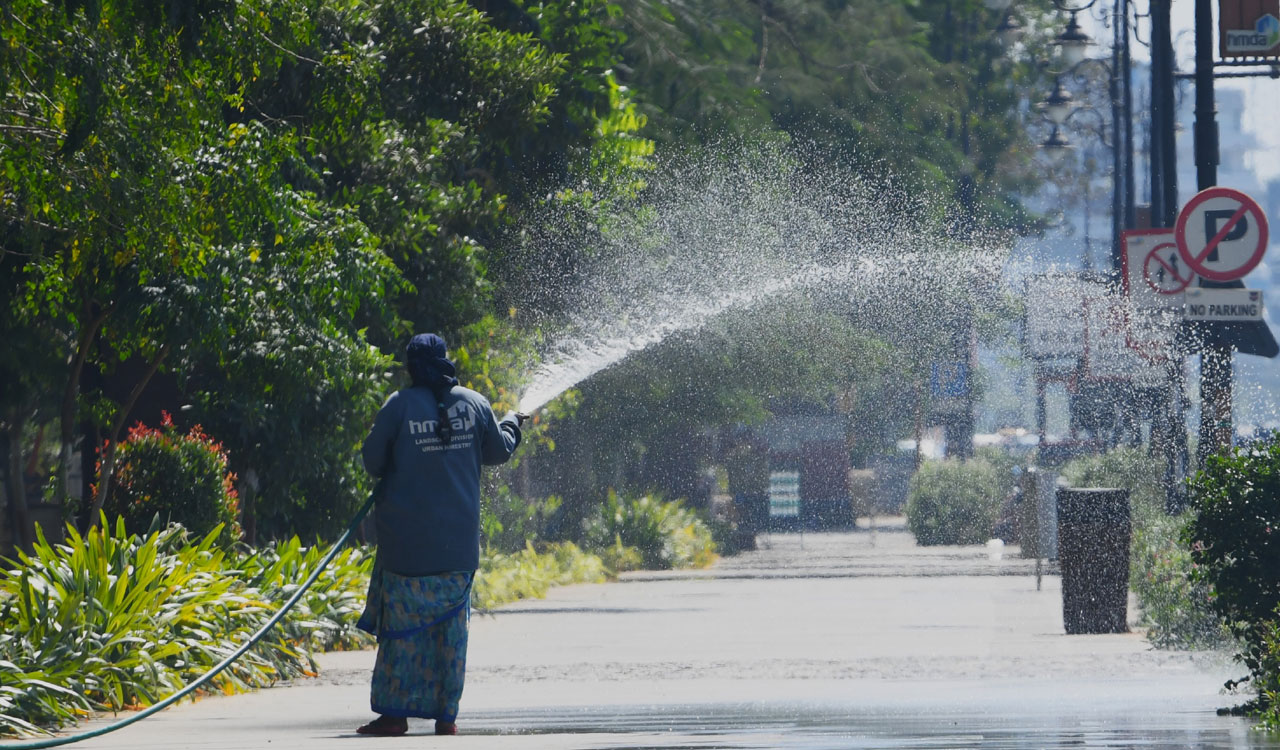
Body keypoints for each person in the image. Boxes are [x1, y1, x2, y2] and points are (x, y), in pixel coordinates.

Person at [354, 333, 525, 737]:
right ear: (445, 360)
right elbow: (498, 451)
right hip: (457, 552)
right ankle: (446, 717)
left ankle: (395, 716)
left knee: (401, 635)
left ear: (411, 366)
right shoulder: (475, 403)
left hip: (405, 551)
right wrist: (513, 424)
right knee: (451, 635)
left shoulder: (398, 407)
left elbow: (372, 461)